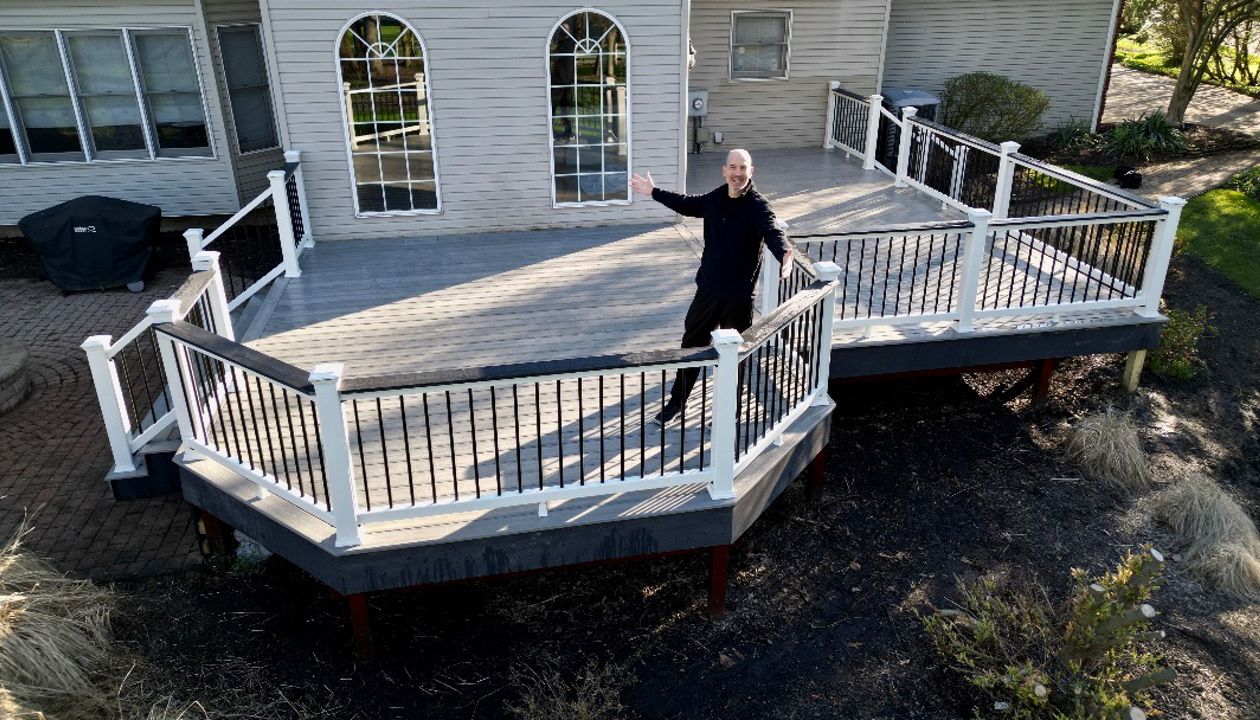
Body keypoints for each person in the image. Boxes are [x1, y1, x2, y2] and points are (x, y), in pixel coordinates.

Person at [630, 148, 792, 425]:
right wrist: (653, 191)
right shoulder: (715, 198)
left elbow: (772, 231)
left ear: (751, 171)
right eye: (733, 167)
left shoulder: (758, 206)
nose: (737, 173)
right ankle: (676, 404)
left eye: (743, 168)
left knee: (733, 358)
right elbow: (686, 204)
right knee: (691, 347)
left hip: (738, 298)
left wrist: (785, 253)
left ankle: (730, 412)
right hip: (707, 290)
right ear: (724, 170)